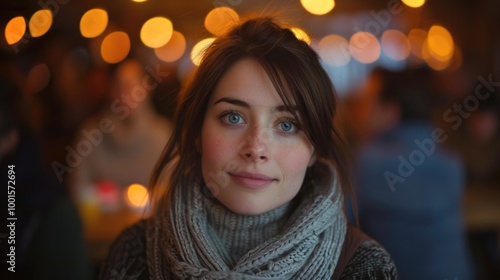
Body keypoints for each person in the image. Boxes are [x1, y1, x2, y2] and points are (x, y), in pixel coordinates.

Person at [100, 17, 397, 279]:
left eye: (288, 125)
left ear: (315, 150)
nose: (256, 148)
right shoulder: (134, 255)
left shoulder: (364, 268)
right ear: (196, 133)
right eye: (233, 117)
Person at [353, 67, 473, 280]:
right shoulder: (452, 161)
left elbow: (337, 225)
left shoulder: (369, 161)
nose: (361, 109)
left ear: (391, 112)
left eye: (369, 100)